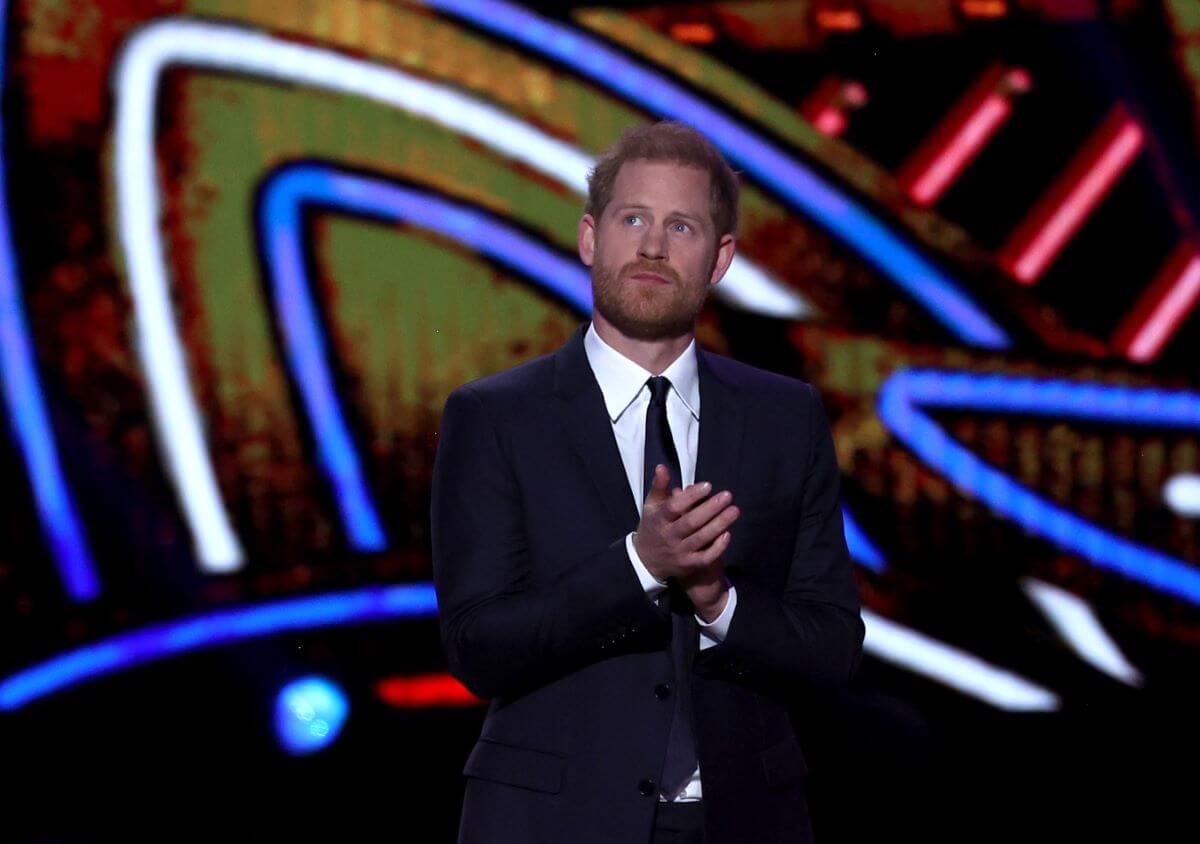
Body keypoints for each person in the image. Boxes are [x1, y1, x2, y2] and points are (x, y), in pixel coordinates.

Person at [431, 120, 864, 844]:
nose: (653, 247)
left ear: (720, 259)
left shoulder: (786, 417)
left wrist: (717, 601)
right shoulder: (496, 418)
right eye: (633, 219)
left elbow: (832, 646)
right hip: (552, 823)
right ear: (590, 238)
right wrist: (639, 565)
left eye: (682, 227)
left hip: (745, 822)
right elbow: (480, 646)